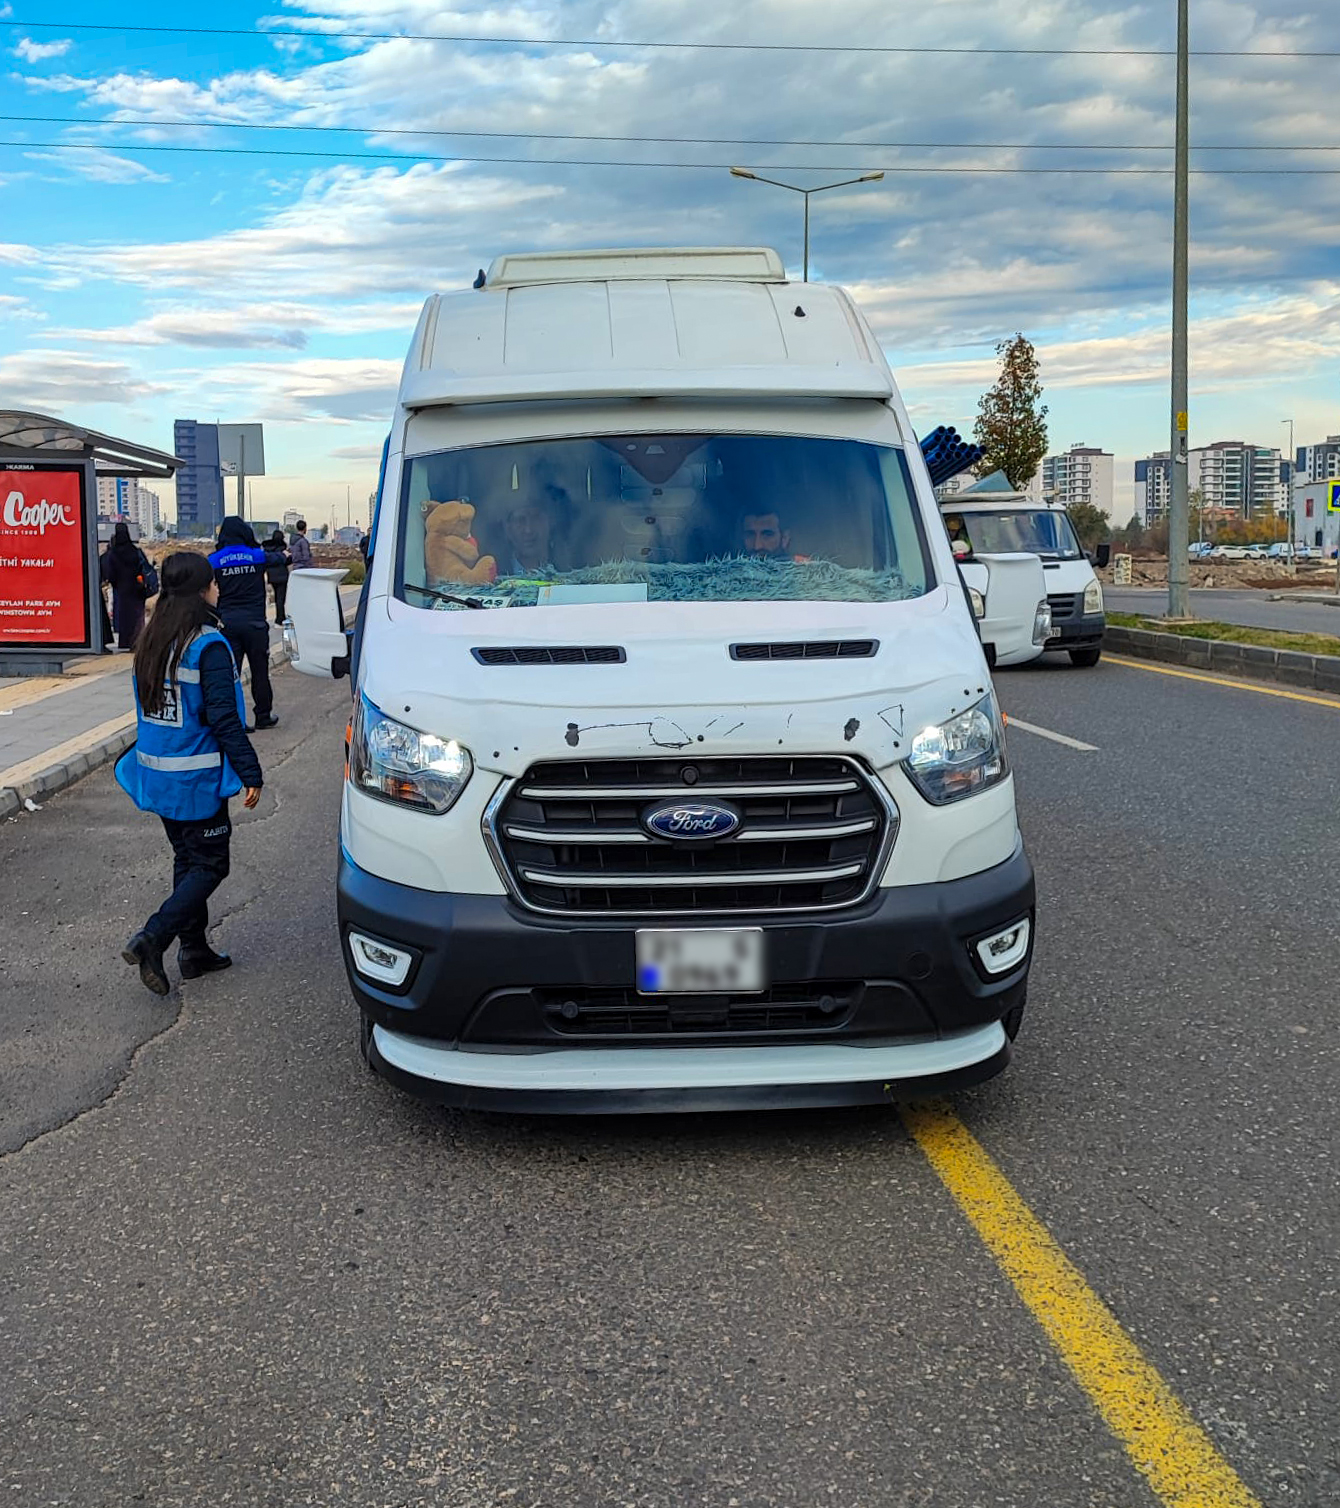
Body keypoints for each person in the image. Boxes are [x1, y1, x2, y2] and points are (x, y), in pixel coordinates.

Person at [116, 553, 263, 996]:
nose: (217, 589)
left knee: (187, 859)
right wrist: (250, 771)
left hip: (159, 779)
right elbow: (223, 719)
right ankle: (153, 938)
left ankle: (194, 949)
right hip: (195, 782)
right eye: (213, 583)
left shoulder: (153, 640)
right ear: (203, 591)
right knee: (211, 864)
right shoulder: (206, 646)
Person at [209, 516, 288, 730]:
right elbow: (280, 559)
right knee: (260, 672)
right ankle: (263, 715)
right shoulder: (256, 556)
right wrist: (285, 554)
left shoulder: (215, 560)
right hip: (255, 624)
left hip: (227, 625)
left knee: (229, 675)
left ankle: (234, 720)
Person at [100, 522, 149, 650]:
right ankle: (137, 641)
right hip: (137, 588)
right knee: (137, 617)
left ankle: (125, 642)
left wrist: (114, 583)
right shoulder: (135, 551)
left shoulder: (114, 553)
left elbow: (111, 573)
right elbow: (143, 568)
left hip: (122, 589)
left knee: (124, 618)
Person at [502, 498, 555, 574]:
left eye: (536, 519)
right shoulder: (496, 573)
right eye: (520, 520)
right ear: (508, 529)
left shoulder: (567, 569)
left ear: (549, 524)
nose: (528, 530)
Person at [265, 528, 290, 624]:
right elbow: (287, 561)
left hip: (272, 576)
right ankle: (280, 618)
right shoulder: (282, 548)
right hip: (282, 576)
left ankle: (280, 616)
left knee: (277, 598)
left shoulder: (268, 549)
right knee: (281, 598)